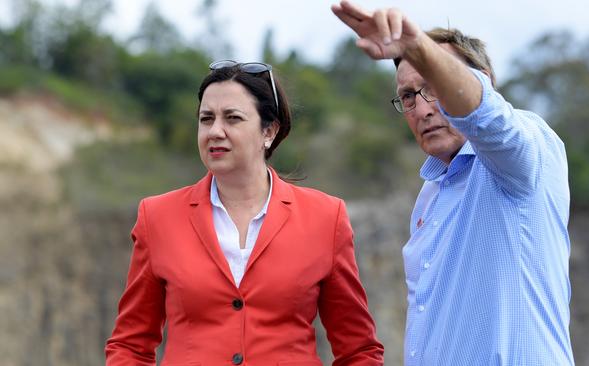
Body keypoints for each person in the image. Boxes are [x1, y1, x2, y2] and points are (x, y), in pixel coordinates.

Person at [332, 1, 575, 365]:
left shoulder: (525, 150)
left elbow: (488, 118)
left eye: (433, 88)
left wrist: (416, 46)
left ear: (485, 82)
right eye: (408, 96)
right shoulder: (429, 196)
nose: (423, 108)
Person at [105, 60, 384, 365]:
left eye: (232, 118)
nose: (215, 131)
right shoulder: (157, 216)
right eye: (206, 119)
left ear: (269, 131)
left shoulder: (326, 218)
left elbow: (359, 350)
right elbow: (130, 346)